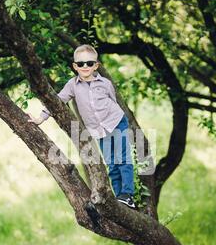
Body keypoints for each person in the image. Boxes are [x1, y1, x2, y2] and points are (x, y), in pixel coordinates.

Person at [27, 44, 136, 209]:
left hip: (116, 122)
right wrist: (41, 118)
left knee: (123, 159)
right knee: (111, 163)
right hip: (100, 130)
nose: (85, 66)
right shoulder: (72, 85)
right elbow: (57, 99)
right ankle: (120, 198)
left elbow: (113, 102)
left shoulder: (105, 83)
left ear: (96, 66)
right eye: (81, 63)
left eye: (90, 63)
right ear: (75, 66)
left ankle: (128, 194)